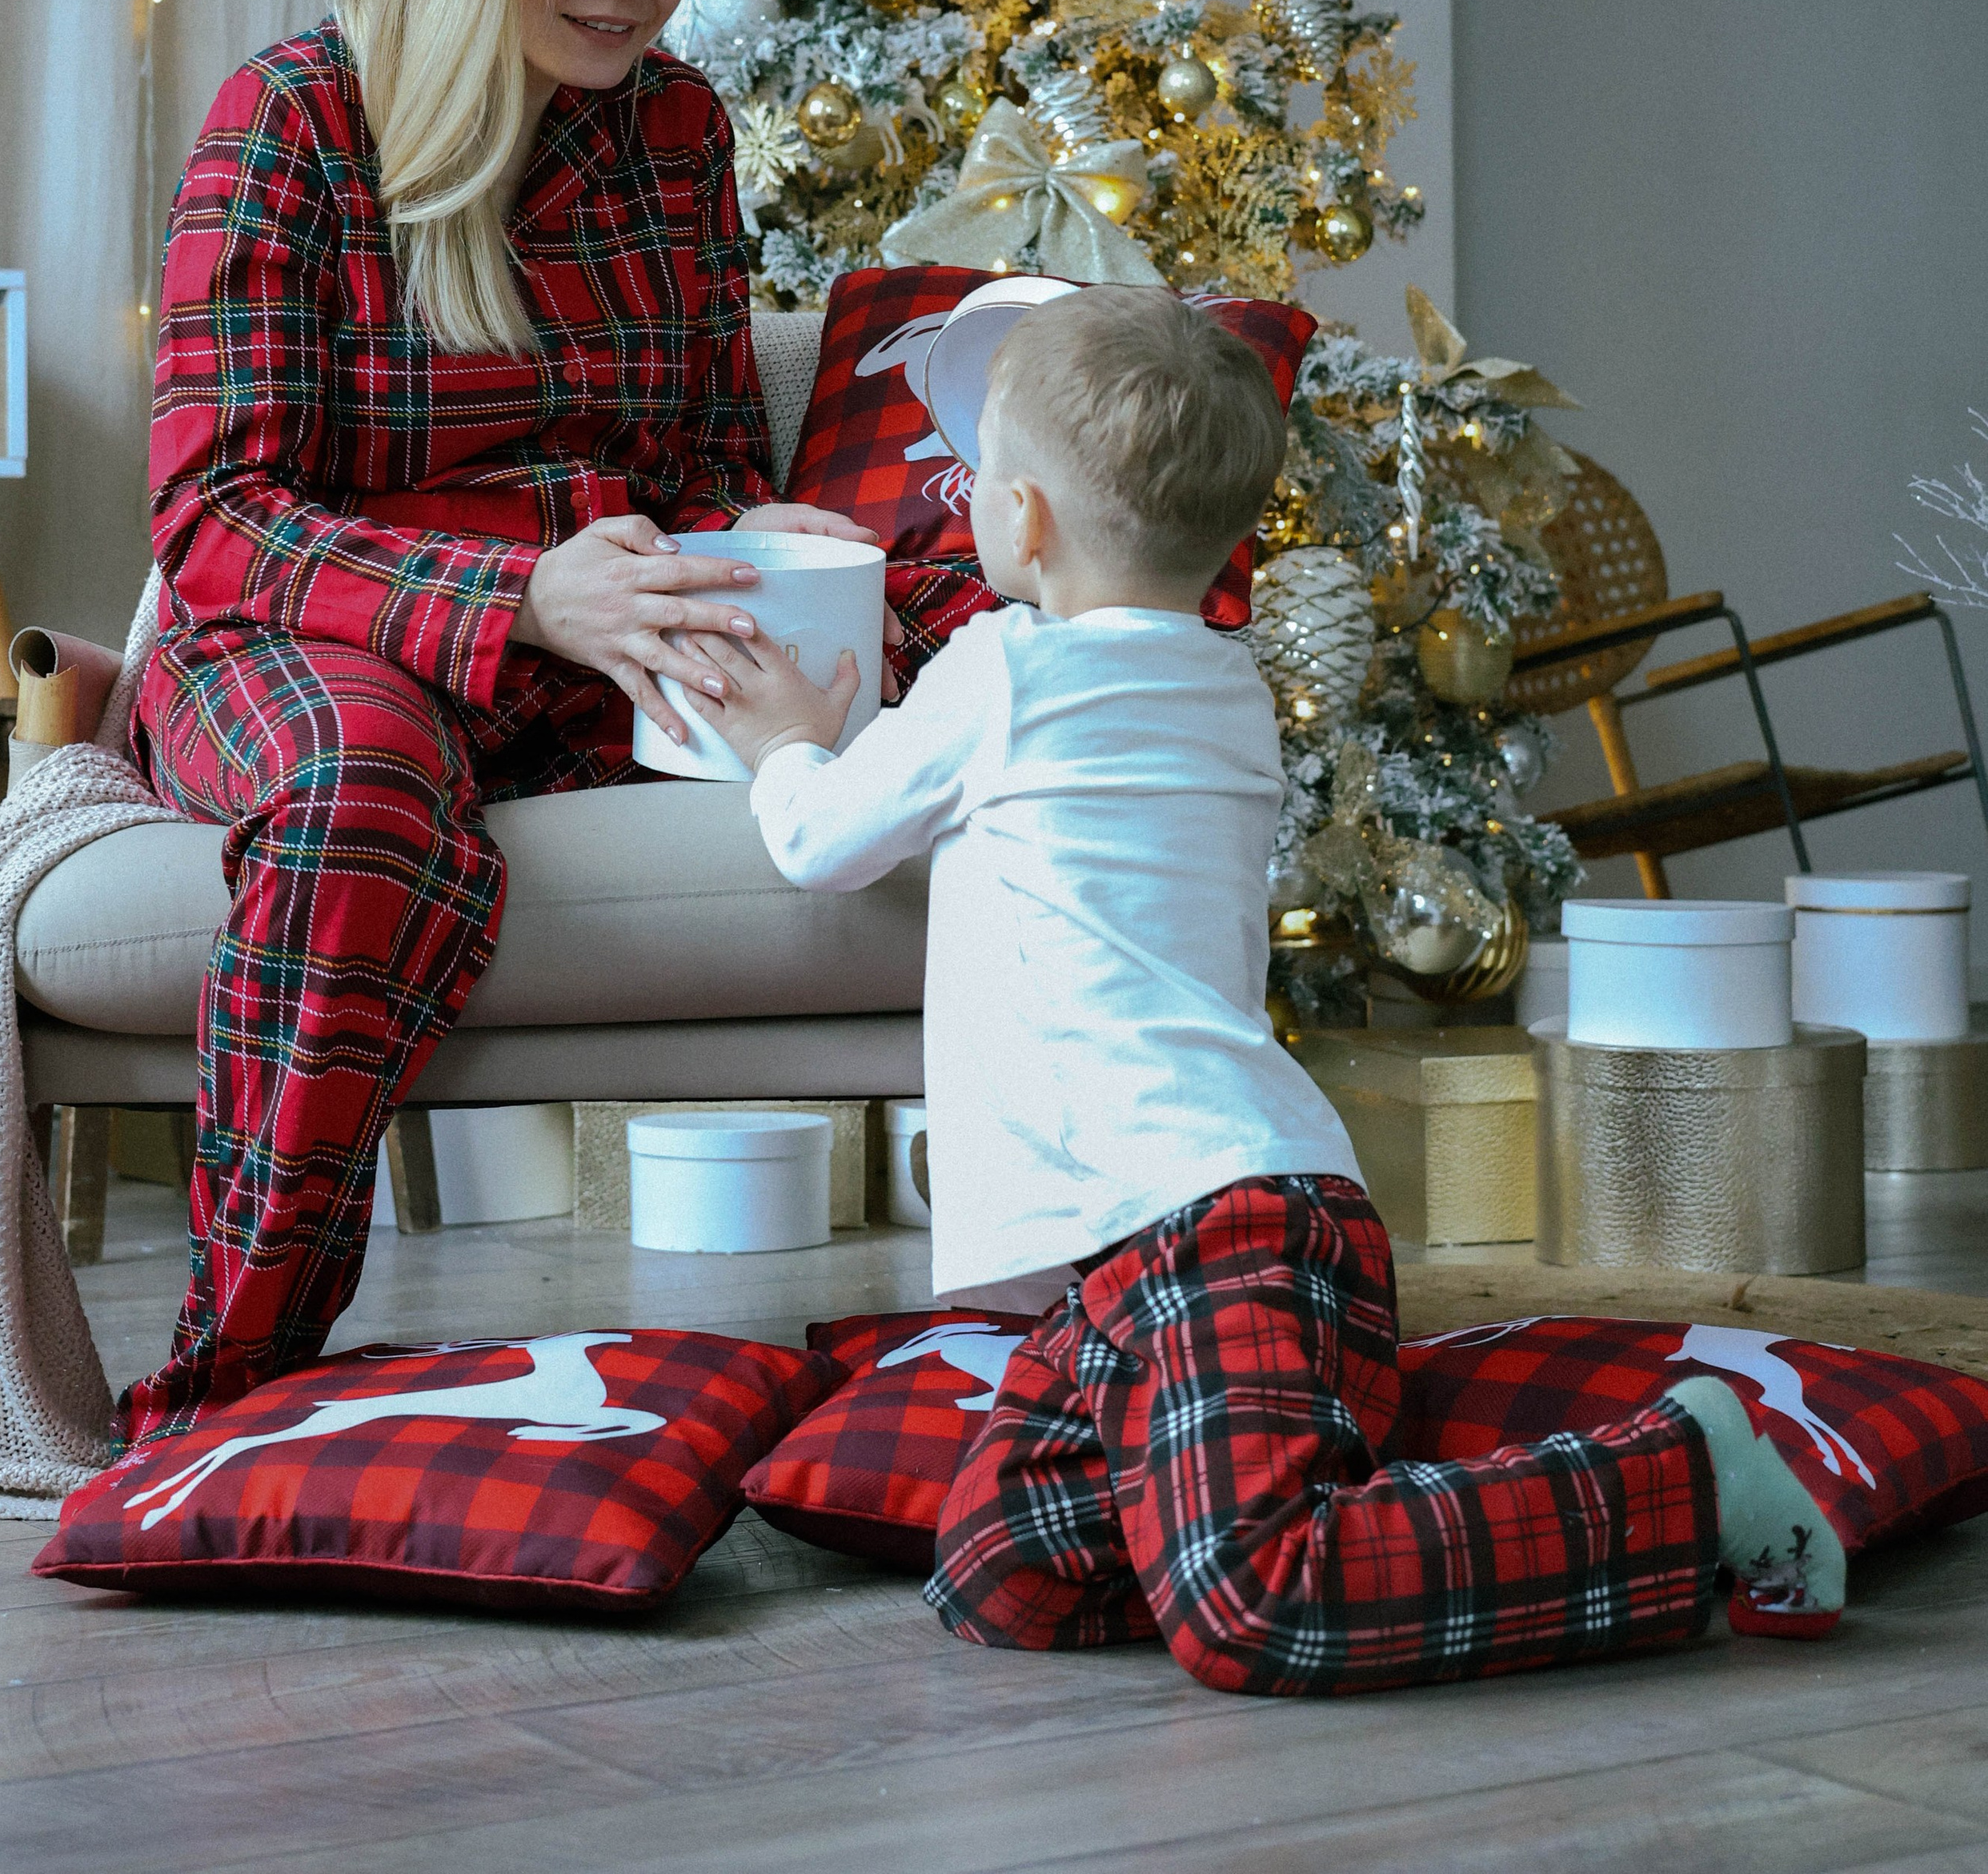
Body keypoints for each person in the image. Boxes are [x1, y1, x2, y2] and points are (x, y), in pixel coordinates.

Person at [683, 287, 1847, 1695]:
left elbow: (818, 841)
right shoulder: (1224, 685)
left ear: (1027, 520)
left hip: (1213, 1226)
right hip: (1154, 1251)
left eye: (982, 474)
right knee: (1006, 1568)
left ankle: (1680, 1484)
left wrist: (789, 741)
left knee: (1256, 1608)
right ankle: (1298, 1502)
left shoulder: (1005, 669)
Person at [126, 0, 884, 1442]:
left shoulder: (674, 128)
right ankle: (231, 1390)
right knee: (364, 801)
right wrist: (521, 598)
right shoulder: (296, 119)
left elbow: (697, 454)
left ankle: (1046, 1348)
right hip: (307, 629)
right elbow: (215, 516)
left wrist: (764, 544)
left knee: (958, 709)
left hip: (586, 644)